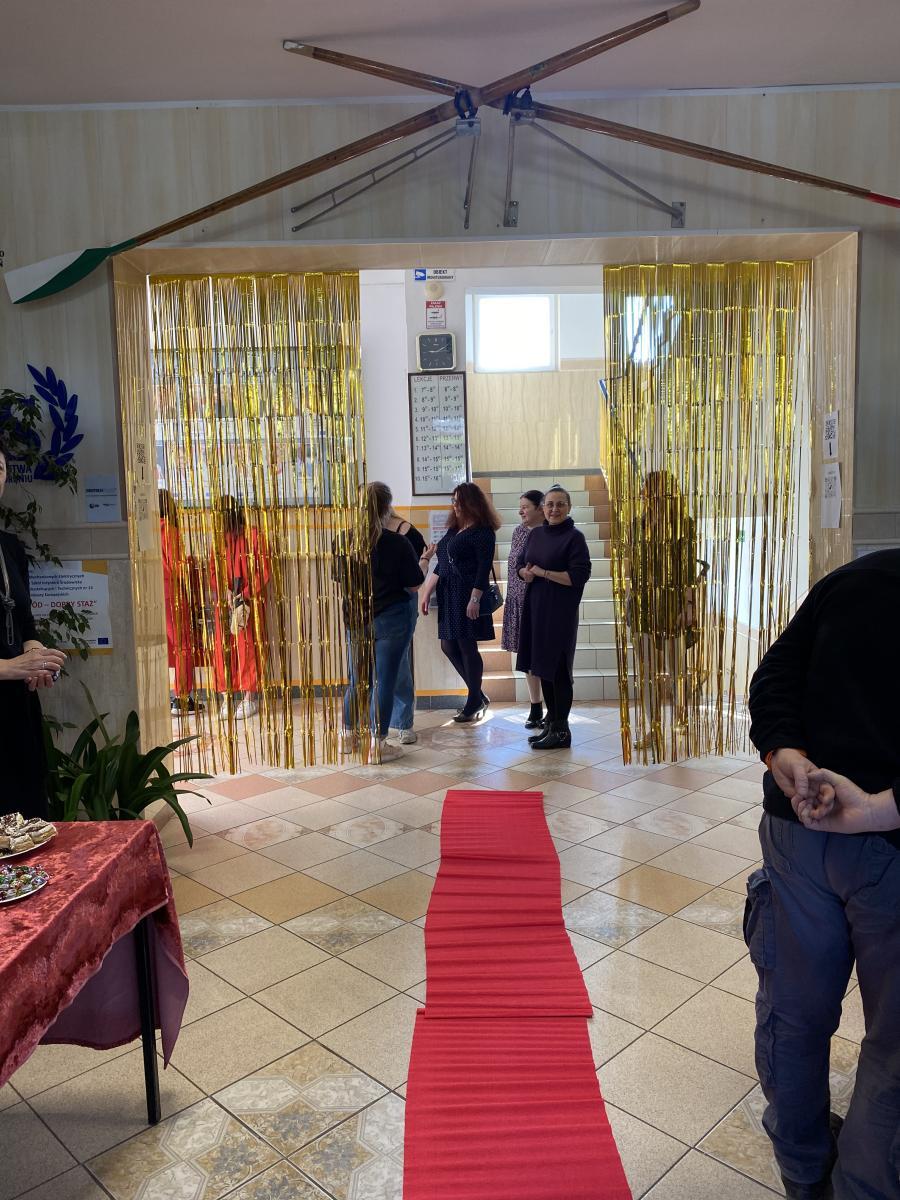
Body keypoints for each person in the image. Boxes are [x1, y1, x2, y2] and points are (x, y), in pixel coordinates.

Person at [747, 548, 900, 1200]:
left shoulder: (861, 575)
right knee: (893, 1045)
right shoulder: (861, 576)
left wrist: (785, 753)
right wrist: (879, 809)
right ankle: (861, 1184)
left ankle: (804, 1170)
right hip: (882, 841)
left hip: (802, 827)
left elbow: (775, 674)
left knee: (794, 1014)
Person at [0, 440, 66, 819]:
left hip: (16, 712)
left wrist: (37, 658)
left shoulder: (10, 547)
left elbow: (26, 625)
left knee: (29, 822)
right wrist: (8, 668)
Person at [341, 482, 423, 759]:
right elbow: (414, 584)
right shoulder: (397, 543)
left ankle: (347, 737)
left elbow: (341, 580)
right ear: (387, 507)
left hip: (356, 618)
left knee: (357, 680)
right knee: (384, 682)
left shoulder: (343, 540)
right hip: (391, 619)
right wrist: (423, 563)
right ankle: (378, 744)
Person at [628, 469, 699, 754]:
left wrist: (689, 605)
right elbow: (633, 565)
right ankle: (654, 727)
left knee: (676, 668)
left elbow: (688, 568)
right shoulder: (638, 524)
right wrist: (630, 598)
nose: (646, 495)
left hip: (672, 603)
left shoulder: (684, 525)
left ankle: (682, 718)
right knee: (646, 670)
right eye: (646, 489)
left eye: (652, 489)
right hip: (643, 604)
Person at [515, 485, 592, 749]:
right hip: (536, 610)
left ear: (569, 507)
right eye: (549, 504)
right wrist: (524, 573)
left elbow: (578, 576)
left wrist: (543, 573)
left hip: (560, 612)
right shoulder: (536, 534)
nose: (554, 509)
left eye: (560, 504)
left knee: (558, 671)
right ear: (543, 508)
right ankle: (551, 723)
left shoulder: (575, 538)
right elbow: (521, 564)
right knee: (542, 668)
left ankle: (562, 731)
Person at [419, 482, 499, 724]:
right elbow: (443, 564)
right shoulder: (454, 529)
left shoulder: (483, 531)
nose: (455, 505)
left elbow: (483, 569)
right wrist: (426, 592)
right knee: (448, 646)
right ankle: (478, 696)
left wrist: (475, 599)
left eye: (459, 501)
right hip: (448, 593)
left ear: (472, 503)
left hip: (467, 594)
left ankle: (473, 700)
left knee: (467, 646)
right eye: (453, 501)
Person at [375, 483, 428, 745]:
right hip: (371, 609)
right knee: (369, 673)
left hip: (400, 604)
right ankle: (373, 727)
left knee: (399, 667)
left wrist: (424, 562)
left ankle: (403, 722)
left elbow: (414, 576)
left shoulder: (404, 531)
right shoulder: (361, 534)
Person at [211, 497, 271, 720]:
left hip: (249, 603)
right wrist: (224, 590)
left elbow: (264, 570)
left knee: (248, 648)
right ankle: (227, 696)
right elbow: (213, 571)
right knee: (222, 648)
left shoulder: (253, 535)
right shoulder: (219, 541)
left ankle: (249, 697)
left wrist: (245, 593)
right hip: (225, 603)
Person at [501, 489, 545, 728]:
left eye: (525, 507)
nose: (521, 512)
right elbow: (514, 566)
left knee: (544, 656)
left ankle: (553, 710)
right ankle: (535, 706)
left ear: (540, 508)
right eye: (520, 507)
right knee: (527, 658)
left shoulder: (550, 531)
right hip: (519, 600)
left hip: (543, 603)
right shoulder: (519, 532)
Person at [159, 489, 201, 715]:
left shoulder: (145, 531)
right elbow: (177, 566)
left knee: (164, 647)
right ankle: (182, 698)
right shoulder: (169, 531)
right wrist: (189, 563)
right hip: (171, 594)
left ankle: (168, 696)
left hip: (153, 594)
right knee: (183, 646)